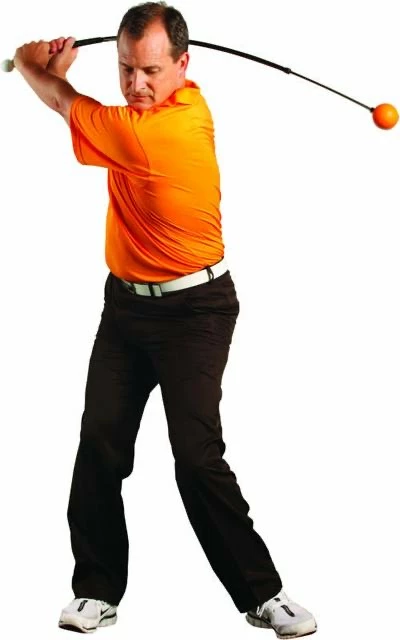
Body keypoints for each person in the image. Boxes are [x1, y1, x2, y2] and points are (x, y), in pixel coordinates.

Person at [13, 2, 317, 637]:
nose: (136, 84)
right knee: (100, 441)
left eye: (150, 70)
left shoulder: (168, 128)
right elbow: (81, 106)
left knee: (196, 455)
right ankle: (95, 591)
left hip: (195, 312)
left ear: (183, 65)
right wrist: (55, 73)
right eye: (125, 68)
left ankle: (264, 594)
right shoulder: (158, 110)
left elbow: (63, 101)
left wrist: (30, 62)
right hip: (125, 307)